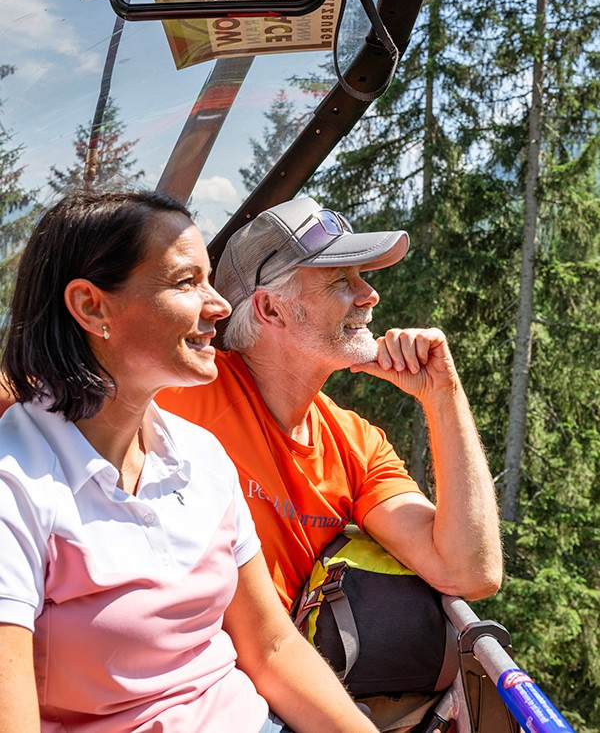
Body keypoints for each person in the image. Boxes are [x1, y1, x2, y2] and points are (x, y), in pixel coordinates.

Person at [0, 189, 380, 733]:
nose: (220, 305)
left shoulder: (200, 454)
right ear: (91, 306)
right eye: (186, 282)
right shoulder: (16, 486)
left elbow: (272, 647)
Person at [158, 197, 503, 614]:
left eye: (361, 277)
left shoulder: (358, 445)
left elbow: (469, 572)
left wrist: (443, 396)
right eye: (340, 280)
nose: (370, 295)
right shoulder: (177, 395)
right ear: (271, 308)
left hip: (276, 654)